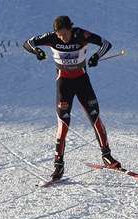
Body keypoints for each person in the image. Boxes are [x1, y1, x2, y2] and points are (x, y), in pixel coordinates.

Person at [23, 16, 121, 182]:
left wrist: (96, 56)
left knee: (95, 117)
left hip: (82, 83)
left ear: (71, 29)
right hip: (64, 85)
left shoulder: (81, 34)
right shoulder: (51, 37)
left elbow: (106, 44)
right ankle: (58, 166)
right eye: (60, 35)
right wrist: (37, 51)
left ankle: (107, 156)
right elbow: (28, 43)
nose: (63, 38)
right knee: (63, 123)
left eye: (65, 34)